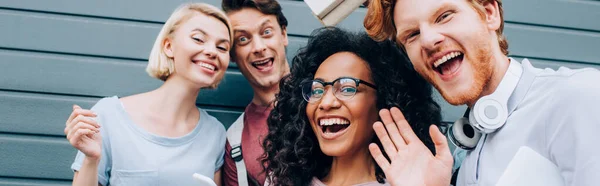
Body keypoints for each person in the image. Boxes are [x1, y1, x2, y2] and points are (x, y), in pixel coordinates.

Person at [363, 0, 600, 185]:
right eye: (412, 35)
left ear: (489, 13)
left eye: (444, 16)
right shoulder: (464, 156)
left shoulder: (577, 96)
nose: (427, 40)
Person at [64, 3, 233, 185]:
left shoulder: (215, 134)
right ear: (168, 46)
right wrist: (91, 160)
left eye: (222, 48)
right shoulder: (109, 115)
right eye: (198, 39)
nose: (212, 52)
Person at [261, 27, 444, 186]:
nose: (326, 103)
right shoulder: (282, 180)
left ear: (384, 101)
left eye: (347, 88)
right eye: (317, 90)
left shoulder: (413, 182)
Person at [219, 0, 290, 186]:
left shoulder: (326, 102)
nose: (258, 47)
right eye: (243, 39)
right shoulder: (235, 140)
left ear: (283, 34)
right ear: (232, 54)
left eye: (266, 32)